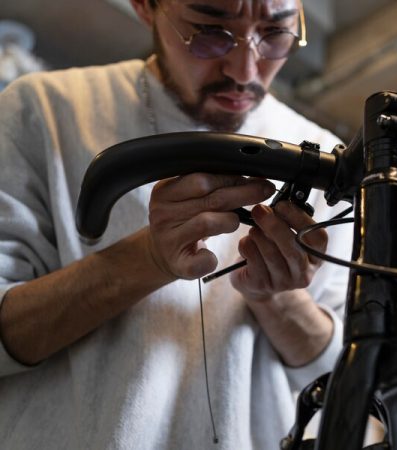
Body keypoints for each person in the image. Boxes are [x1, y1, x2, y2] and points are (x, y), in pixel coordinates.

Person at [0, 1, 352, 448]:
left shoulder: (326, 161)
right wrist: (146, 259)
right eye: (209, 31)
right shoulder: (43, 112)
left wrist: (281, 299)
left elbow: (338, 378)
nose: (245, 70)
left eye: (275, 33)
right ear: (145, 7)